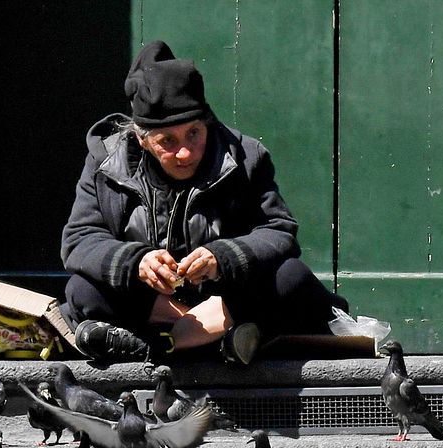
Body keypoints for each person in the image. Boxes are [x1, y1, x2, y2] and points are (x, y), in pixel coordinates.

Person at [60, 40, 347, 364]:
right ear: (142, 139)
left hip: (225, 301)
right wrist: (136, 262)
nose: (184, 152)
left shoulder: (243, 157)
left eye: (194, 134)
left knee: (291, 277)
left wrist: (222, 257)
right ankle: (205, 340)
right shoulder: (106, 162)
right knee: (81, 290)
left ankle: (157, 346)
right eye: (167, 141)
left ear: (206, 124)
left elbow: (279, 231)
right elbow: (79, 240)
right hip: (155, 305)